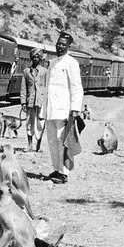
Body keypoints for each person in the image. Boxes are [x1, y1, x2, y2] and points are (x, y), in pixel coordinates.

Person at [43, 32, 84, 184]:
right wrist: (44, 109)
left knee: (63, 142)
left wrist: (75, 108)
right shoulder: (52, 63)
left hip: (63, 110)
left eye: (63, 44)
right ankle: (56, 168)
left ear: (69, 46)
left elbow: (76, 87)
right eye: (58, 44)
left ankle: (64, 172)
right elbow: (48, 88)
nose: (60, 46)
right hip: (50, 110)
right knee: (52, 141)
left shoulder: (71, 63)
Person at [20, 47, 47, 151]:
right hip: (30, 101)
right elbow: (23, 87)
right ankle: (30, 145)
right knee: (29, 122)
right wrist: (23, 101)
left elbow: (47, 87)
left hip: (41, 101)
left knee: (40, 123)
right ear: (31, 58)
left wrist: (46, 100)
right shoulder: (26, 72)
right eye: (34, 57)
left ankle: (38, 145)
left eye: (37, 56)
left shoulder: (45, 72)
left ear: (40, 58)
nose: (36, 58)